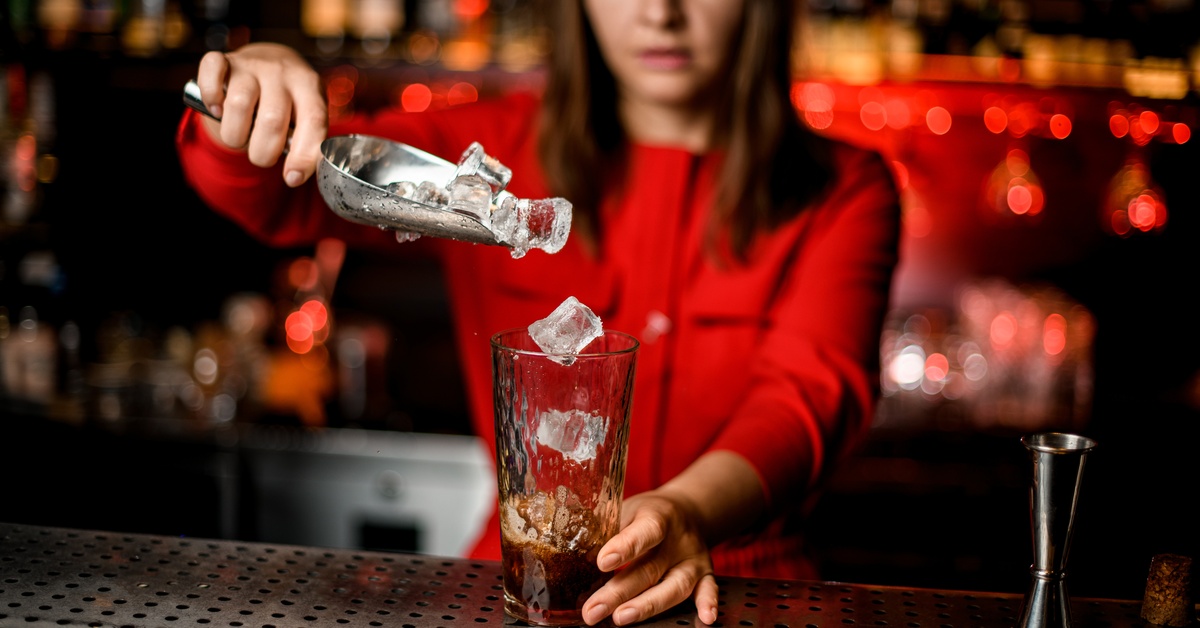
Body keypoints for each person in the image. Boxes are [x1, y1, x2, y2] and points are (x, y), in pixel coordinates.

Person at [175, 1, 902, 625]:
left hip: (747, 590)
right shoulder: (491, 154)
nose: (660, 13)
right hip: (520, 583)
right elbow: (287, 193)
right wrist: (248, 102)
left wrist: (687, 512)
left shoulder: (846, 190)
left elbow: (809, 396)